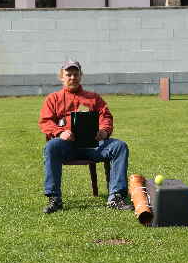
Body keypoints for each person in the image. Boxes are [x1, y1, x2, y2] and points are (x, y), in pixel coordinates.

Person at [38, 60, 133, 214]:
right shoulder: (53, 99)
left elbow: (106, 116)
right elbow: (45, 122)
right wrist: (60, 132)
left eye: (76, 74)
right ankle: (54, 198)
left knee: (119, 146)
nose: (72, 78)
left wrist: (104, 131)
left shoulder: (93, 98)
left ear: (81, 76)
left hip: (93, 146)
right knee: (51, 147)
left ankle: (116, 197)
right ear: (61, 77)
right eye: (68, 74)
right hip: (67, 147)